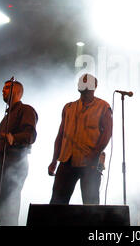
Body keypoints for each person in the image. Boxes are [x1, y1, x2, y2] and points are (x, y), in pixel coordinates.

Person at [0, 79, 38, 226]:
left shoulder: (26, 110)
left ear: (17, 92)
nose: (3, 90)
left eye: (6, 88)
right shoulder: (6, 117)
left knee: (8, 207)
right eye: (3, 88)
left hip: (14, 163)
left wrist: (13, 138)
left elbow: (30, 135)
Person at [48, 73, 112, 205]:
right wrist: (54, 160)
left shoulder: (103, 107)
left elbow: (107, 133)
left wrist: (94, 154)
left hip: (90, 163)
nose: (86, 91)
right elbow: (60, 135)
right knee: (57, 203)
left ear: (95, 87)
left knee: (91, 205)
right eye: (84, 87)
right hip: (67, 160)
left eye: (88, 87)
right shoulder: (69, 107)